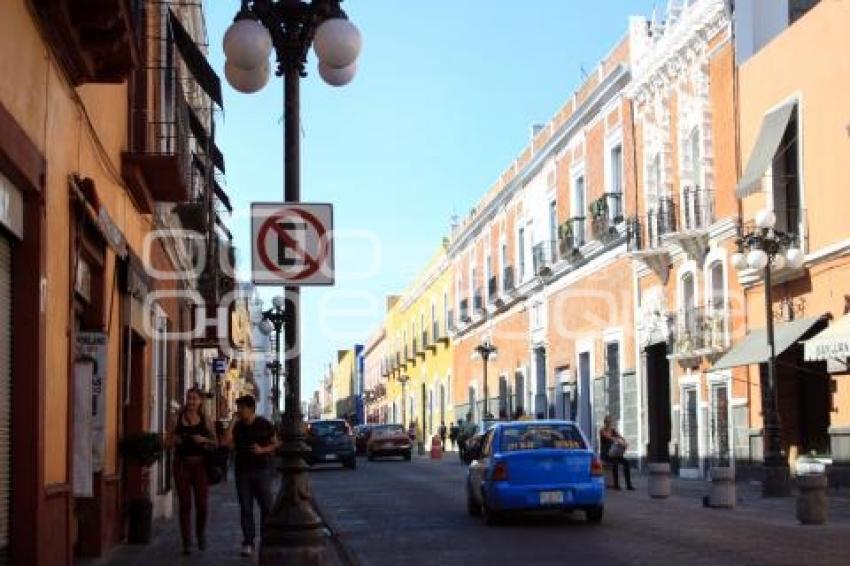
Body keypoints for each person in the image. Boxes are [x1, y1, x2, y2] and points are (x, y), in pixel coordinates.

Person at [222, 395, 280, 557]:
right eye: (238, 407)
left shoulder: (264, 424)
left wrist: (263, 450)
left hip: (262, 471)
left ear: (250, 409)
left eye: (241, 408)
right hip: (242, 473)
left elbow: (276, 443)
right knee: (246, 509)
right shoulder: (238, 426)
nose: (239, 411)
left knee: (266, 507)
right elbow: (225, 442)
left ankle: (266, 539)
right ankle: (248, 542)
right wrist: (233, 422)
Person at [166, 386, 217, 555]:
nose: (191, 402)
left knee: (202, 504)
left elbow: (215, 443)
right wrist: (176, 439)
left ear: (200, 401)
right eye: (189, 398)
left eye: (195, 398)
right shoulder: (176, 418)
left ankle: (200, 532)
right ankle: (187, 542)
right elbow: (166, 442)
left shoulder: (205, 419)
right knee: (185, 504)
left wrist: (203, 439)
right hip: (181, 465)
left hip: (201, 466)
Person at [600, 415, 634, 490]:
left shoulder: (613, 430)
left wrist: (624, 442)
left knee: (626, 463)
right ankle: (616, 485)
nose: (609, 424)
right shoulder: (602, 430)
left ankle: (629, 485)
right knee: (615, 463)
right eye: (608, 422)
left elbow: (620, 437)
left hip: (614, 453)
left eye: (610, 422)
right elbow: (608, 437)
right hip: (606, 454)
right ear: (605, 423)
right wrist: (616, 439)